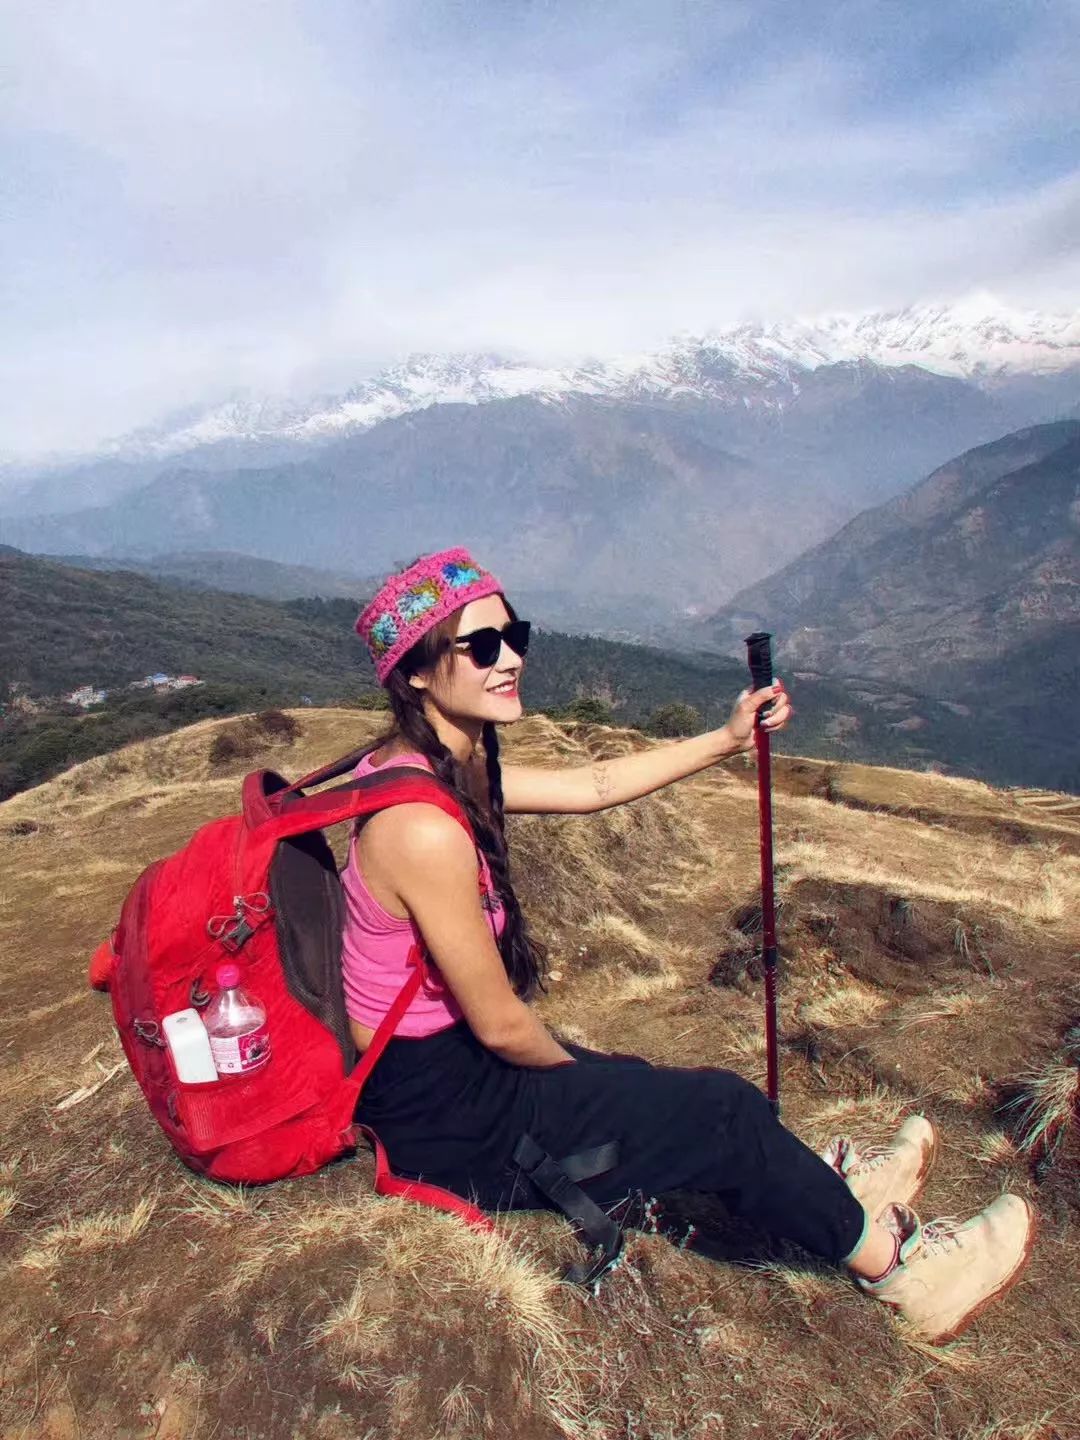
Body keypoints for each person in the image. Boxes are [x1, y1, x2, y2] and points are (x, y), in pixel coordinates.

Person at [344, 548, 1035, 1344]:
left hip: (446, 1073)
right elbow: (501, 1024)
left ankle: (825, 1193)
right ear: (417, 673)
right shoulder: (421, 826)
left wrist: (727, 738)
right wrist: (587, 1076)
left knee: (657, 1090)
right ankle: (905, 1274)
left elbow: (593, 788)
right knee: (721, 1111)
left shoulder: (440, 766)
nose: (512, 659)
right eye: (483, 646)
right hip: (445, 1113)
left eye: (516, 635)